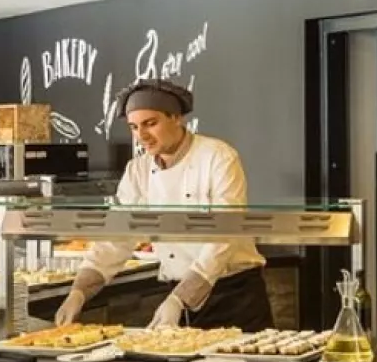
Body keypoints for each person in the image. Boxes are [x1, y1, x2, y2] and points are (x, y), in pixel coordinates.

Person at [56, 80, 273, 330]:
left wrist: (181, 298)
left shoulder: (218, 157)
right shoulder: (137, 170)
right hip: (175, 294)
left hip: (233, 296)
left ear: (177, 118)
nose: (141, 136)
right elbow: (117, 236)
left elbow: (225, 234)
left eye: (150, 123)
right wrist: (80, 291)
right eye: (134, 127)